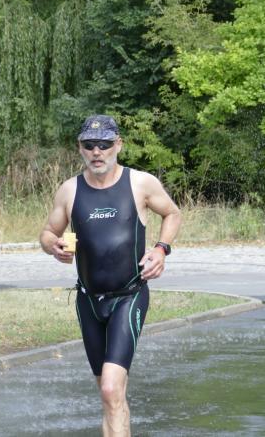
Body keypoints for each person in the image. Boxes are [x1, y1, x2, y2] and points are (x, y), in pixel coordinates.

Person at [39, 114, 181, 437]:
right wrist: (54, 246)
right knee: (110, 394)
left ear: (118, 145)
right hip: (89, 302)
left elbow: (172, 213)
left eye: (104, 144)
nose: (97, 152)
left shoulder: (139, 183)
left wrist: (161, 249)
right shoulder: (70, 190)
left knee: (110, 389)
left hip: (128, 297)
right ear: (80, 147)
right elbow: (47, 233)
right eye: (90, 145)